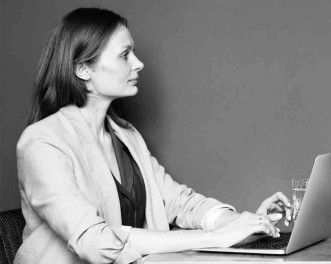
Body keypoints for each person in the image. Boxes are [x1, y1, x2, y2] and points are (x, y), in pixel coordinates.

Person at [16, 7, 293, 264]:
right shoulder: (41, 143)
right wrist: (215, 239)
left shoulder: (126, 136)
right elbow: (93, 241)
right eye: (125, 55)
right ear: (83, 69)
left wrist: (236, 223)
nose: (138, 64)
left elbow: (178, 201)